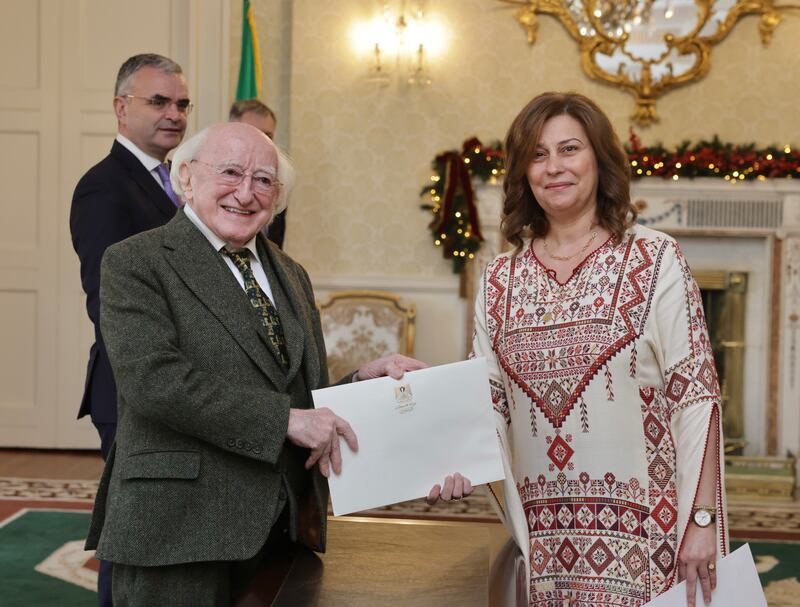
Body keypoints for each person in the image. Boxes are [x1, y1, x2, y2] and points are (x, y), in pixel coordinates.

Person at [84, 121, 425, 606]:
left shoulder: (290, 273)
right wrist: (285, 420)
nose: (246, 193)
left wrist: (358, 384)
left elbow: (295, 394)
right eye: (230, 173)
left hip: (280, 523)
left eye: (263, 180)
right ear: (187, 178)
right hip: (179, 528)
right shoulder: (136, 262)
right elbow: (155, 383)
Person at [428, 92, 727, 607]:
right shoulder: (500, 277)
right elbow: (484, 403)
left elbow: (696, 396)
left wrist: (701, 521)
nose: (554, 167)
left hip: (649, 547)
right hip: (541, 547)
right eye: (537, 155)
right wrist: (423, 408)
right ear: (523, 172)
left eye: (569, 149)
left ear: (599, 159)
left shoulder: (655, 258)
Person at [69, 52, 190, 607]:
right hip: (133, 386)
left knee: (166, 527)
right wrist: (157, 371)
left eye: (182, 103)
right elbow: (107, 300)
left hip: (180, 385)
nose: (175, 113)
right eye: (158, 101)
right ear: (122, 108)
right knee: (130, 534)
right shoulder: (105, 187)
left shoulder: (178, 182)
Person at [229, 98, 286, 249]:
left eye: (267, 136)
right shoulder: (216, 181)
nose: (261, 142)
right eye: (253, 133)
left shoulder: (276, 185)